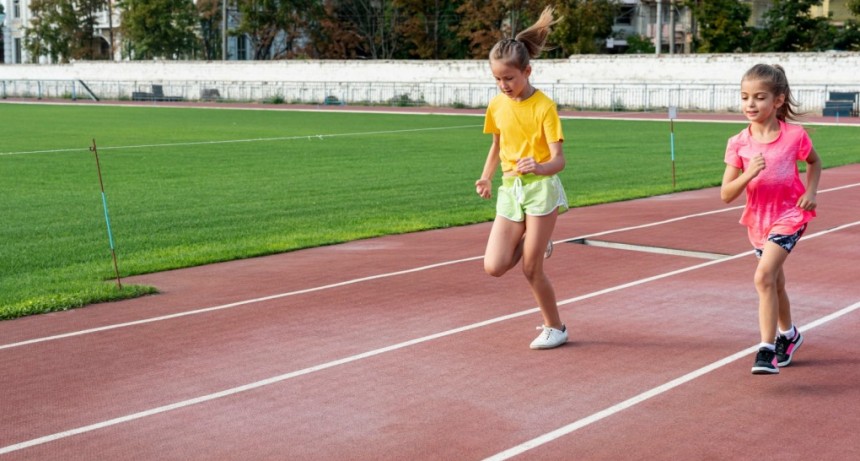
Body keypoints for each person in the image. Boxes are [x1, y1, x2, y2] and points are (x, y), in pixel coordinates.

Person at [475, 6, 570, 350]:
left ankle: (555, 327)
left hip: (542, 190)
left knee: (531, 269)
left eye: (509, 78)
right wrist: (486, 176)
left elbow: (559, 161)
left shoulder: (545, 107)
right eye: (498, 79)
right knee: (494, 266)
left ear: (527, 71)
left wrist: (539, 167)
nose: (504, 85)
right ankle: (536, 236)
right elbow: (497, 144)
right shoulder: (497, 105)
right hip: (510, 190)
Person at [720, 63, 822, 374]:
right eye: (745, 97)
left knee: (763, 277)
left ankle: (766, 350)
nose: (750, 104)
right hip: (758, 221)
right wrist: (748, 173)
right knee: (775, 283)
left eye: (759, 97)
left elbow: (814, 163)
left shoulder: (794, 136)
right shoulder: (738, 142)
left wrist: (812, 192)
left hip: (790, 215)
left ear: (777, 100)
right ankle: (789, 335)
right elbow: (726, 193)